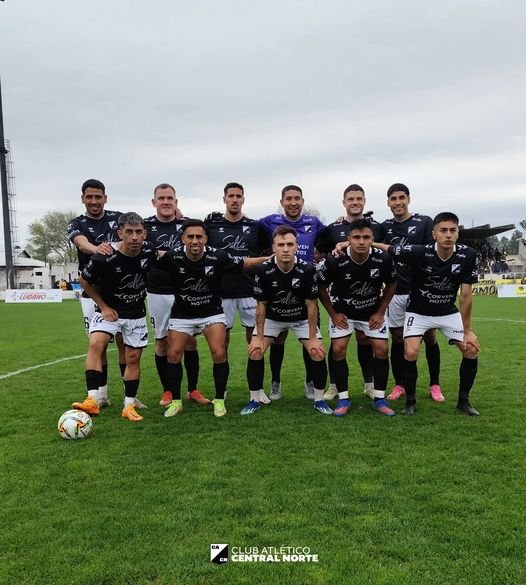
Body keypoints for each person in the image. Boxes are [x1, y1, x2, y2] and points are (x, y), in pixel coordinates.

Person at [157, 219, 269, 418]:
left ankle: (219, 400)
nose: (194, 241)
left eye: (199, 236)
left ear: (206, 238)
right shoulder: (172, 256)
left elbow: (244, 263)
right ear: (183, 238)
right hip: (182, 314)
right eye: (190, 236)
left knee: (219, 352)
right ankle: (176, 401)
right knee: (173, 354)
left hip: (211, 312)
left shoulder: (218, 256)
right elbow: (145, 258)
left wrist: (270, 258)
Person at [373, 212, 480, 415]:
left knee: (471, 349)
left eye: (452, 230)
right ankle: (410, 402)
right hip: (419, 312)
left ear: (458, 233)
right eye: (443, 230)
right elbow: (392, 248)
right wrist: (370, 243)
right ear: (434, 234)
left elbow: (466, 295)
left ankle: (464, 401)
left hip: (448, 312)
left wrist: (468, 330)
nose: (448, 235)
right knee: (410, 351)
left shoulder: (468, 255)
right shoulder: (420, 252)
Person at [72, 212, 156, 421]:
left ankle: (129, 405)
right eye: (129, 232)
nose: (134, 237)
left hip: (136, 313)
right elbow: (84, 281)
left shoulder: (149, 252)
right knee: (95, 344)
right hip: (109, 311)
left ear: (144, 233)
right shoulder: (105, 255)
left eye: (138, 232)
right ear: (120, 233)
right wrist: (103, 306)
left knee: (133, 357)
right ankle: (92, 399)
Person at [242, 225, 331, 416]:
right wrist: (257, 336)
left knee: (317, 352)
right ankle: (254, 399)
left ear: (296, 247)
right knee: (255, 351)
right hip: (273, 318)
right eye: (280, 244)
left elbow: (312, 306)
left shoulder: (307, 270)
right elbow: (261, 306)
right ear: (273, 248)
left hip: (300, 318)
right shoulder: (263, 270)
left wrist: (313, 337)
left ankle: (319, 400)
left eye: (290, 244)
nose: (285, 249)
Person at [317, 219, 397, 417]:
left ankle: (379, 398)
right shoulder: (336, 260)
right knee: (338, 349)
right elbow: (320, 286)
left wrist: (380, 312)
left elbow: (393, 284)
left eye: (366, 237)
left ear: (372, 239)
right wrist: (333, 314)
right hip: (344, 312)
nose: (361, 241)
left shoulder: (383, 259)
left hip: (371, 312)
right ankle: (343, 398)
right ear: (348, 239)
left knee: (381, 349)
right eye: (357, 237)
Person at [205, 182, 271, 404]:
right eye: (230, 196)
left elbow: (267, 251)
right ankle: (221, 392)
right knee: (220, 344)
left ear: (243, 199)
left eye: (238, 196)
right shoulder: (211, 226)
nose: (234, 199)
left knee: (255, 341)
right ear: (223, 199)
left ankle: (257, 390)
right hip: (221, 293)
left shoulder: (254, 227)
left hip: (249, 291)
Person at [259, 185, 326, 401]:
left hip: (305, 285)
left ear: (303, 201)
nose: (293, 202)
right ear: (282, 202)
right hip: (278, 284)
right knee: (277, 339)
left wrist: (344, 225)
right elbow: (249, 228)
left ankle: (310, 382)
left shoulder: (313, 223)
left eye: (297, 198)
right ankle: (275, 382)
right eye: (289, 199)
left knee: (310, 341)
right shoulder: (269, 221)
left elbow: (332, 235)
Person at [316, 184, 382, 401]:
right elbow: (321, 251)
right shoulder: (332, 228)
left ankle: (369, 384)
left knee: (365, 341)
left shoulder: (376, 227)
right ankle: (334, 385)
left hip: (368, 295)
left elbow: (382, 248)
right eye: (351, 199)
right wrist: (337, 250)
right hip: (341, 294)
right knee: (338, 345)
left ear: (364, 201)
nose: (355, 202)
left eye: (359, 198)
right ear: (344, 202)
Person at [144, 183, 206, 408]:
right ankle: (168, 391)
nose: (166, 202)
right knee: (161, 342)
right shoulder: (145, 226)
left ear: (176, 202)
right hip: (158, 291)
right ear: (154, 202)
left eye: (170, 198)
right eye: (161, 198)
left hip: (184, 290)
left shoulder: (186, 225)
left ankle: (193, 389)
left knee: (190, 341)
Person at [379, 183, 443, 402]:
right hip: (397, 290)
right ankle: (400, 384)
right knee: (397, 338)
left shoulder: (424, 222)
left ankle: (435, 384)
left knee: (430, 336)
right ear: (388, 203)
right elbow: (365, 236)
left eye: (401, 198)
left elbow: (430, 253)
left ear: (408, 199)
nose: (398, 202)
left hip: (420, 290)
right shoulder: (384, 227)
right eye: (393, 199)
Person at [67, 179, 125, 407]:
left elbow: (133, 233)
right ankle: (100, 396)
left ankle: (130, 396)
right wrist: (97, 249)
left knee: (124, 343)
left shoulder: (118, 218)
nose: (94, 201)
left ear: (105, 198)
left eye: (98, 197)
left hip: (120, 291)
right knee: (97, 344)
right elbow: (81, 244)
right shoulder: (76, 223)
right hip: (92, 292)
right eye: (89, 197)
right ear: (82, 199)